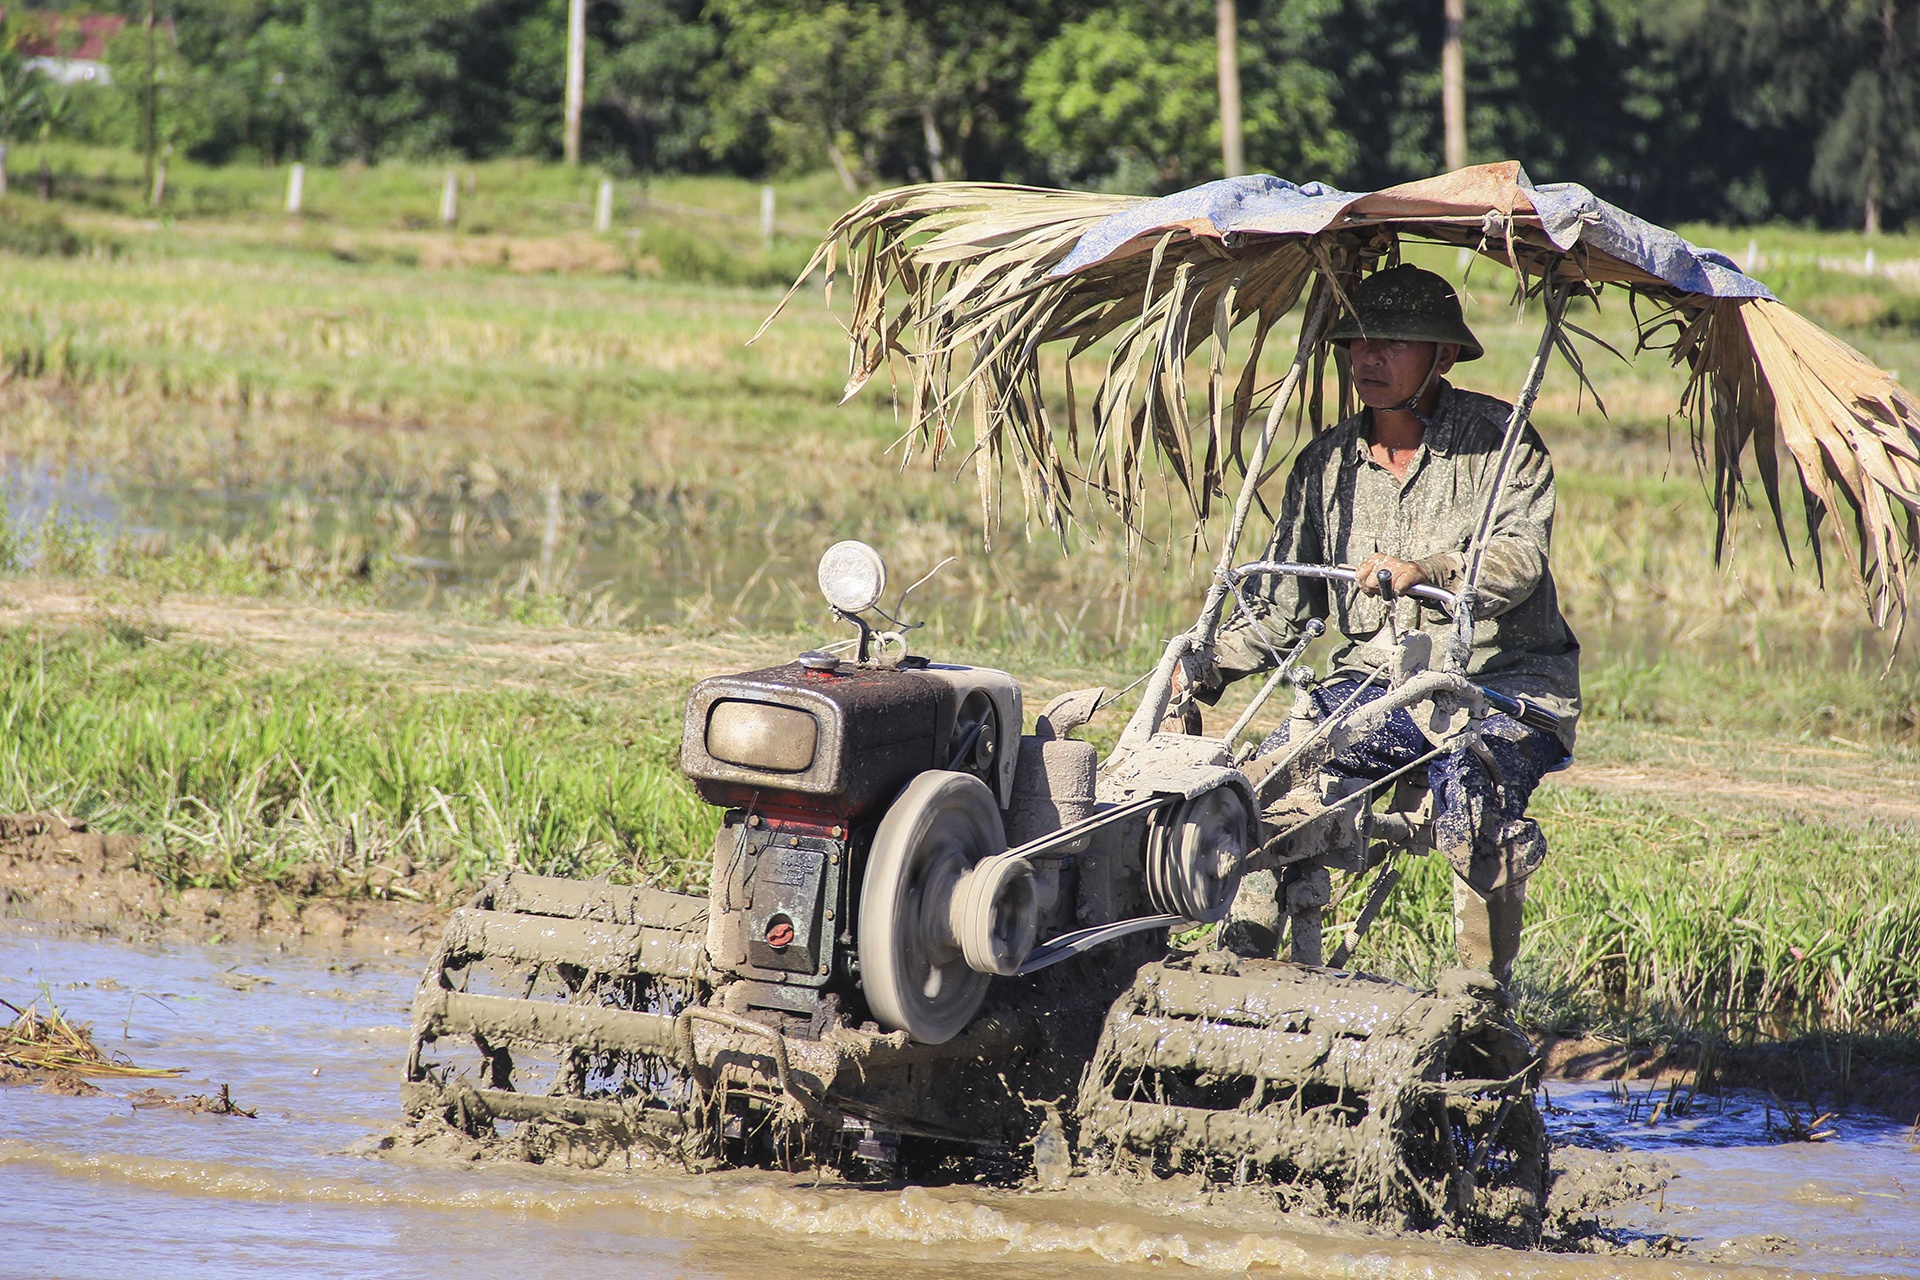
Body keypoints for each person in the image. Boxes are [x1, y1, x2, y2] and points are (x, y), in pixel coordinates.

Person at [1185, 263, 1581, 987]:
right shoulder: (1325, 466)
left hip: (1501, 687)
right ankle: (1237, 971)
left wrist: (1427, 569)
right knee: (1265, 784)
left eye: (1394, 342)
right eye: (1359, 342)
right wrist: (1202, 663)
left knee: (1474, 789)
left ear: (1444, 355)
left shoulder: (1502, 445)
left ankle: (1477, 1000)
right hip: (1375, 683)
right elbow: (1279, 607)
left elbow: (1519, 560)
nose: (1369, 358)